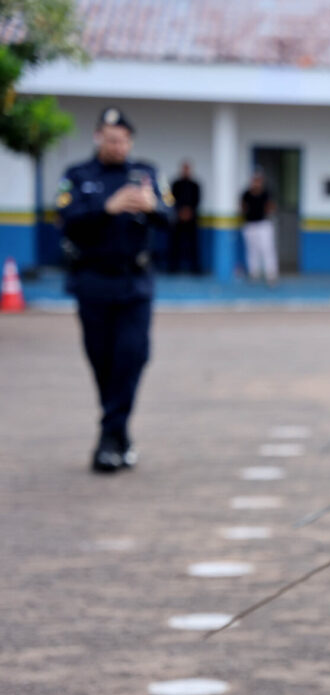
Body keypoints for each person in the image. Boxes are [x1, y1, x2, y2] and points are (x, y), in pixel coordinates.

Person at [56, 107, 173, 473]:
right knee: (102, 360)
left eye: (122, 140)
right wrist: (107, 208)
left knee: (133, 355)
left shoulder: (147, 174)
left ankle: (108, 437)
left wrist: (153, 208)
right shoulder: (77, 175)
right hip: (93, 282)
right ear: (98, 138)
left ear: (130, 141)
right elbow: (66, 222)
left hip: (134, 283)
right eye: (110, 139)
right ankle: (119, 436)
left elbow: (170, 220)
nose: (116, 145)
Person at [241, 170, 278, 285]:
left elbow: (271, 207)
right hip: (250, 224)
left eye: (259, 180)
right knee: (252, 251)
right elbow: (242, 207)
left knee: (267, 250)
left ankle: (271, 275)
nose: (256, 182)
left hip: (263, 225)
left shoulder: (266, 193)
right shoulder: (246, 193)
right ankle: (254, 273)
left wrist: (268, 209)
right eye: (255, 180)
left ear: (261, 181)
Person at [169, 160, 201, 273]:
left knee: (193, 245)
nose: (186, 171)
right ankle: (173, 267)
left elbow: (197, 201)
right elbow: (171, 199)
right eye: (184, 168)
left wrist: (189, 212)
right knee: (175, 244)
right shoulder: (176, 184)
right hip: (177, 218)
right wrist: (180, 211)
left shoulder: (195, 185)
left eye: (188, 168)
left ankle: (195, 268)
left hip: (192, 219)